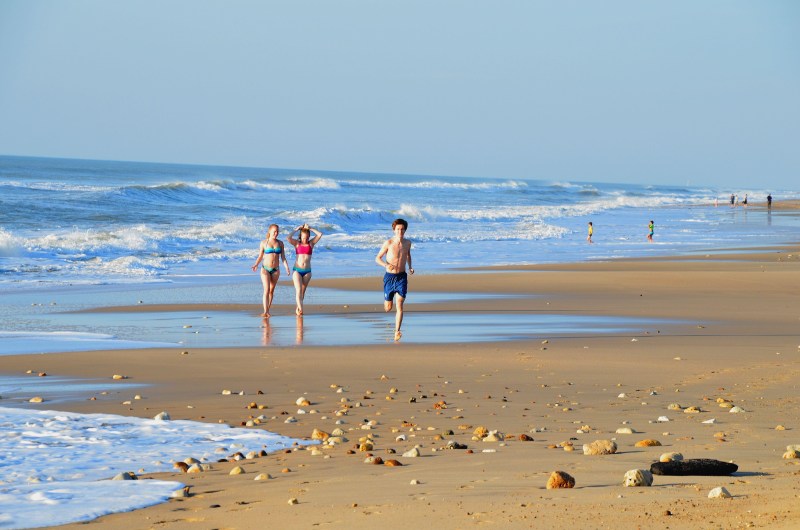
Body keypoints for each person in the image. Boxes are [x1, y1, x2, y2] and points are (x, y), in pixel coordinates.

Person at [375, 218, 414, 341]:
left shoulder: (408, 243)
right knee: (388, 308)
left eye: (402, 229)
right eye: (398, 229)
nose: (400, 231)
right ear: (394, 230)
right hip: (389, 277)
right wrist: (386, 265)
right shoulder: (388, 243)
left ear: (405, 230)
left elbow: (408, 255)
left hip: (401, 276)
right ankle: (387, 300)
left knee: (400, 304)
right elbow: (377, 258)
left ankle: (397, 331)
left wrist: (410, 267)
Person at [251, 224, 290, 317]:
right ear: (270, 231)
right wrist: (256, 264)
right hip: (265, 269)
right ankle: (265, 311)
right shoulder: (264, 243)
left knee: (272, 290)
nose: (276, 233)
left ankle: (268, 309)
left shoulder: (280, 243)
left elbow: (283, 257)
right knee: (266, 289)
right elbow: (260, 256)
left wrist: (287, 267)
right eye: (274, 231)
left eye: (277, 231)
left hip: (276, 270)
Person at [288, 223, 323, 315]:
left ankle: (298, 309)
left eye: (307, 237)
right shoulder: (297, 244)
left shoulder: (311, 244)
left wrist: (310, 228)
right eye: (303, 237)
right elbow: (288, 238)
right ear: (300, 236)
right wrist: (296, 229)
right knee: (298, 290)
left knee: (302, 292)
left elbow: (320, 234)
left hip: (307, 272)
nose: (305, 239)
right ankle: (301, 309)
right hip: (297, 270)